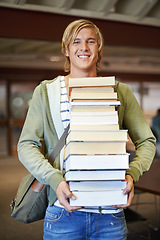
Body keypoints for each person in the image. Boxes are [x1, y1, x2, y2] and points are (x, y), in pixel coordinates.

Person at [17, 19, 156, 240]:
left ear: (98, 48)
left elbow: (147, 141)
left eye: (91, 41)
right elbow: (26, 145)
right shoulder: (46, 92)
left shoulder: (120, 91)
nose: (84, 47)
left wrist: (133, 173)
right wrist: (54, 179)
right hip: (63, 213)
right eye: (76, 42)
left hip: (110, 213)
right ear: (66, 49)